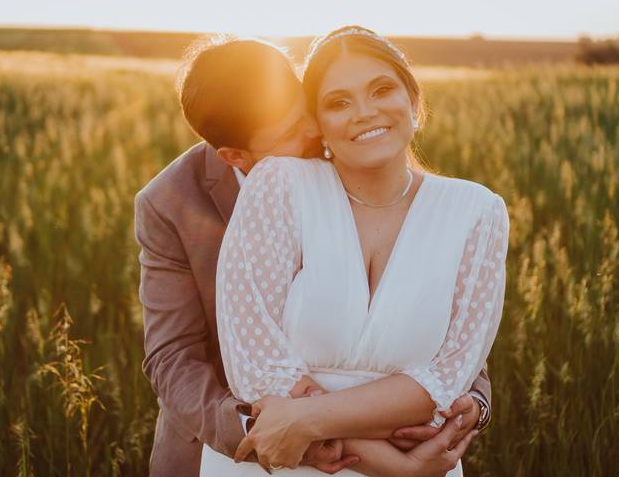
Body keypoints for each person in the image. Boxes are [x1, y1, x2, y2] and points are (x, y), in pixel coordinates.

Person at [135, 34, 493, 477]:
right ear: (234, 155)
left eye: (306, 112)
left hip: (401, 431)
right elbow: (173, 357)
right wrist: (268, 429)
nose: (314, 132)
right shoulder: (170, 204)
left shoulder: (360, 146)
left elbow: (432, 299)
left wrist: (470, 400)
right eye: (288, 132)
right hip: (242, 447)